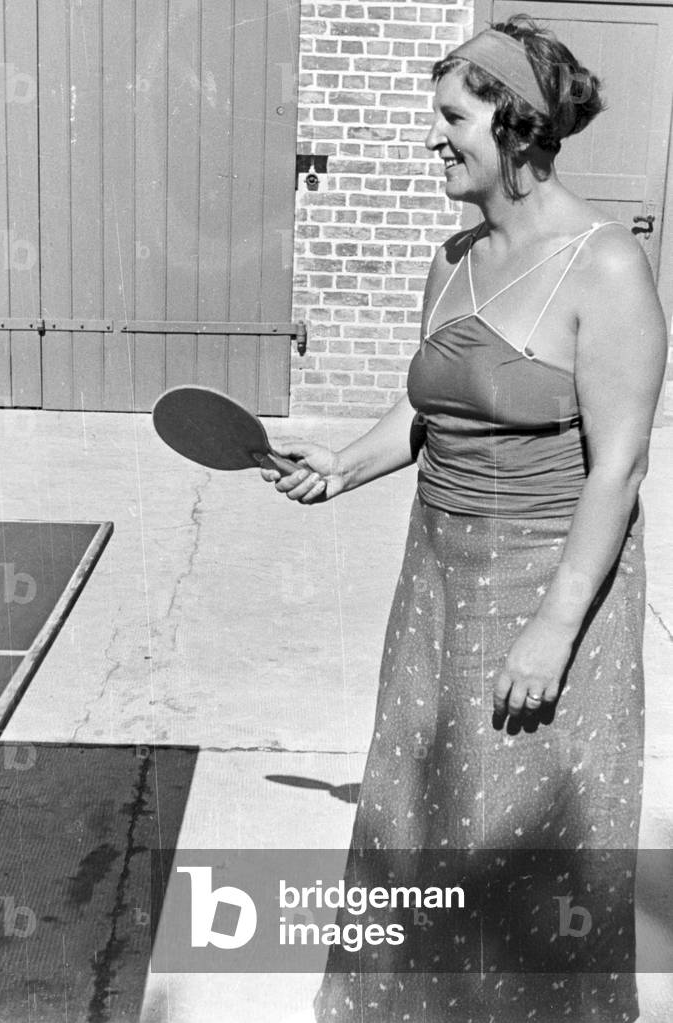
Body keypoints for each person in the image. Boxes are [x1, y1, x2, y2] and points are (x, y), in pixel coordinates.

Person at [262, 15, 667, 1022]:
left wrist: (552, 629)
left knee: (518, 837)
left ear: (516, 127)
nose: (433, 138)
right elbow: (426, 408)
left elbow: (617, 469)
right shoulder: (453, 258)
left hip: (547, 585)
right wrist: (341, 465)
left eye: (452, 119)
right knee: (416, 813)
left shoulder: (606, 268)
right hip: (435, 578)